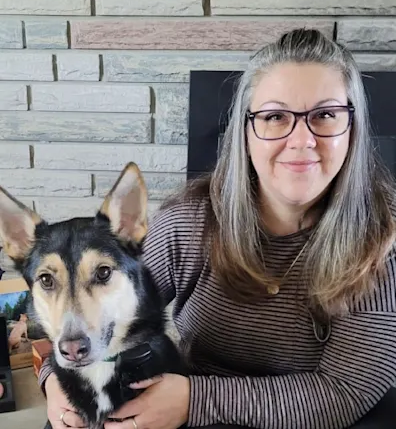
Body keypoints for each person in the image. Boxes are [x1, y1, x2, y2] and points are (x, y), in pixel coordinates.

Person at [39, 28, 396, 429]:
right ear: (246, 131)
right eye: (275, 116)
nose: (301, 140)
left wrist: (196, 400)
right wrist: (54, 378)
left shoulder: (380, 243)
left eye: (326, 115)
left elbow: (346, 390)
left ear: (354, 127)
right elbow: (104, 311)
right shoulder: (187, 222)